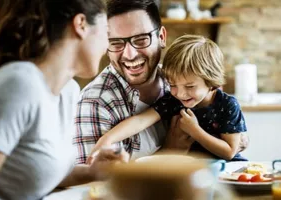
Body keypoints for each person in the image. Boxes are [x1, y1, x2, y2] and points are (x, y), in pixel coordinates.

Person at [0, 1, 128, 200]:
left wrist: (93, 172)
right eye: (107, 31)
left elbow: (36, 174)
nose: (107, 45)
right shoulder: (19, 86)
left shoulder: (68, 91)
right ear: (81, 24)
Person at [73, 0, 197, 164]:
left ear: (161, 37)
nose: (130, 55)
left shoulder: (182, 83)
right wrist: (171, 151)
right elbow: (96, 186)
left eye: (141, 40)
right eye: (116, 43)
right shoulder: (94, 103)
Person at [89, 35, 248, 161]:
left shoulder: (227, 104)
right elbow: (141, 120)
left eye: (190, 86)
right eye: (172, 84)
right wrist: (106, 140)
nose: (180, 93)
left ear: (211, 81)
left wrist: (195, 131)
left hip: (227, 171)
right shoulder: (174, 101)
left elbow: (229, 152)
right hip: (192, 171)